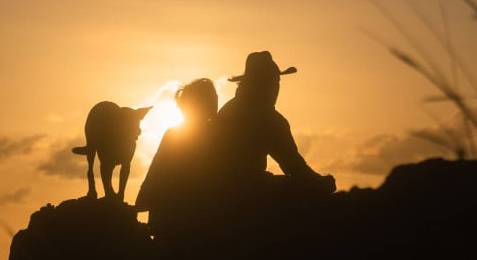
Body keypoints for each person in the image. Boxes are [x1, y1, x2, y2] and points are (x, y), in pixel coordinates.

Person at [208, 50, 336, 199]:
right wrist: (321, 182)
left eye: (276, 82)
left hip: (215, 188)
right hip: (245, 192)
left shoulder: (228, 109)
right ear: (261, 84)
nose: (276, 88)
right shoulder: (269, 119)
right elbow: (293, 166)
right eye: (272, 82)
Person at [135, 78, 219, 239]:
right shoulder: (217, 137)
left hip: (173, 221)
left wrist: (141, 202)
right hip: (194, 222)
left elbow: (155, 174)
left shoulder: (174, 135)